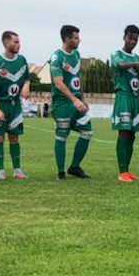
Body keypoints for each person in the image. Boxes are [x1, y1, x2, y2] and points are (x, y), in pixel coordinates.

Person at [48, 25, 92, 180]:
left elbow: (77, 79)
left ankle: (74, 167)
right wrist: (74, 100)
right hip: (62, 103)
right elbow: (58, 82)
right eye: (76, 37)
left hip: (76, 102)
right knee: (62, 136)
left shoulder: (77, 54)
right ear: (67, 39)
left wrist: (82, 99)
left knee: (87, 132)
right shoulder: (57, 57)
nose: (79, 40)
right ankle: (60, 172)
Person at [0, 30, 30, 180]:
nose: (19, 45)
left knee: (14, 137)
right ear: (6, 43)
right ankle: (0, 171)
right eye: (16, 42)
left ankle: (17, 170)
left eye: (19, 41)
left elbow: (27, 78)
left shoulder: (22, 60)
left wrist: (26, 85)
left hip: (15, 105)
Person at [110, 25, 139, 182]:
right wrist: (134, 66)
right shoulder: (116, 54)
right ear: (124, 37)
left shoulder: (137, 58)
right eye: (130, 38)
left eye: (136, 40)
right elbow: (120, 65)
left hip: (135, 99)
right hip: (123, 97)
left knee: (132, 135)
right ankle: (122, 171)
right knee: (123, 133)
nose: (133, 42)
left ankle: (128, 170)